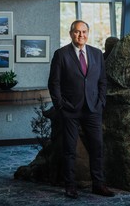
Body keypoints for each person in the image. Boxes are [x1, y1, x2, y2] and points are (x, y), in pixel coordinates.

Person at [48, 20, 115, 199]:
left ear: (88, 33)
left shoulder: (96, 54)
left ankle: (98, 184)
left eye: (84, 32)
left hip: (93, 109)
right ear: (71, 33)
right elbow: (54, 83)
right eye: (77, 32)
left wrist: (101, 102)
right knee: (69, 149)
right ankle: (70, 186)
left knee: (97, 147)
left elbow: (102, 81)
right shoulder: (61, 54)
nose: (81, 35)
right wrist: (60, 106)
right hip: (70, 109)